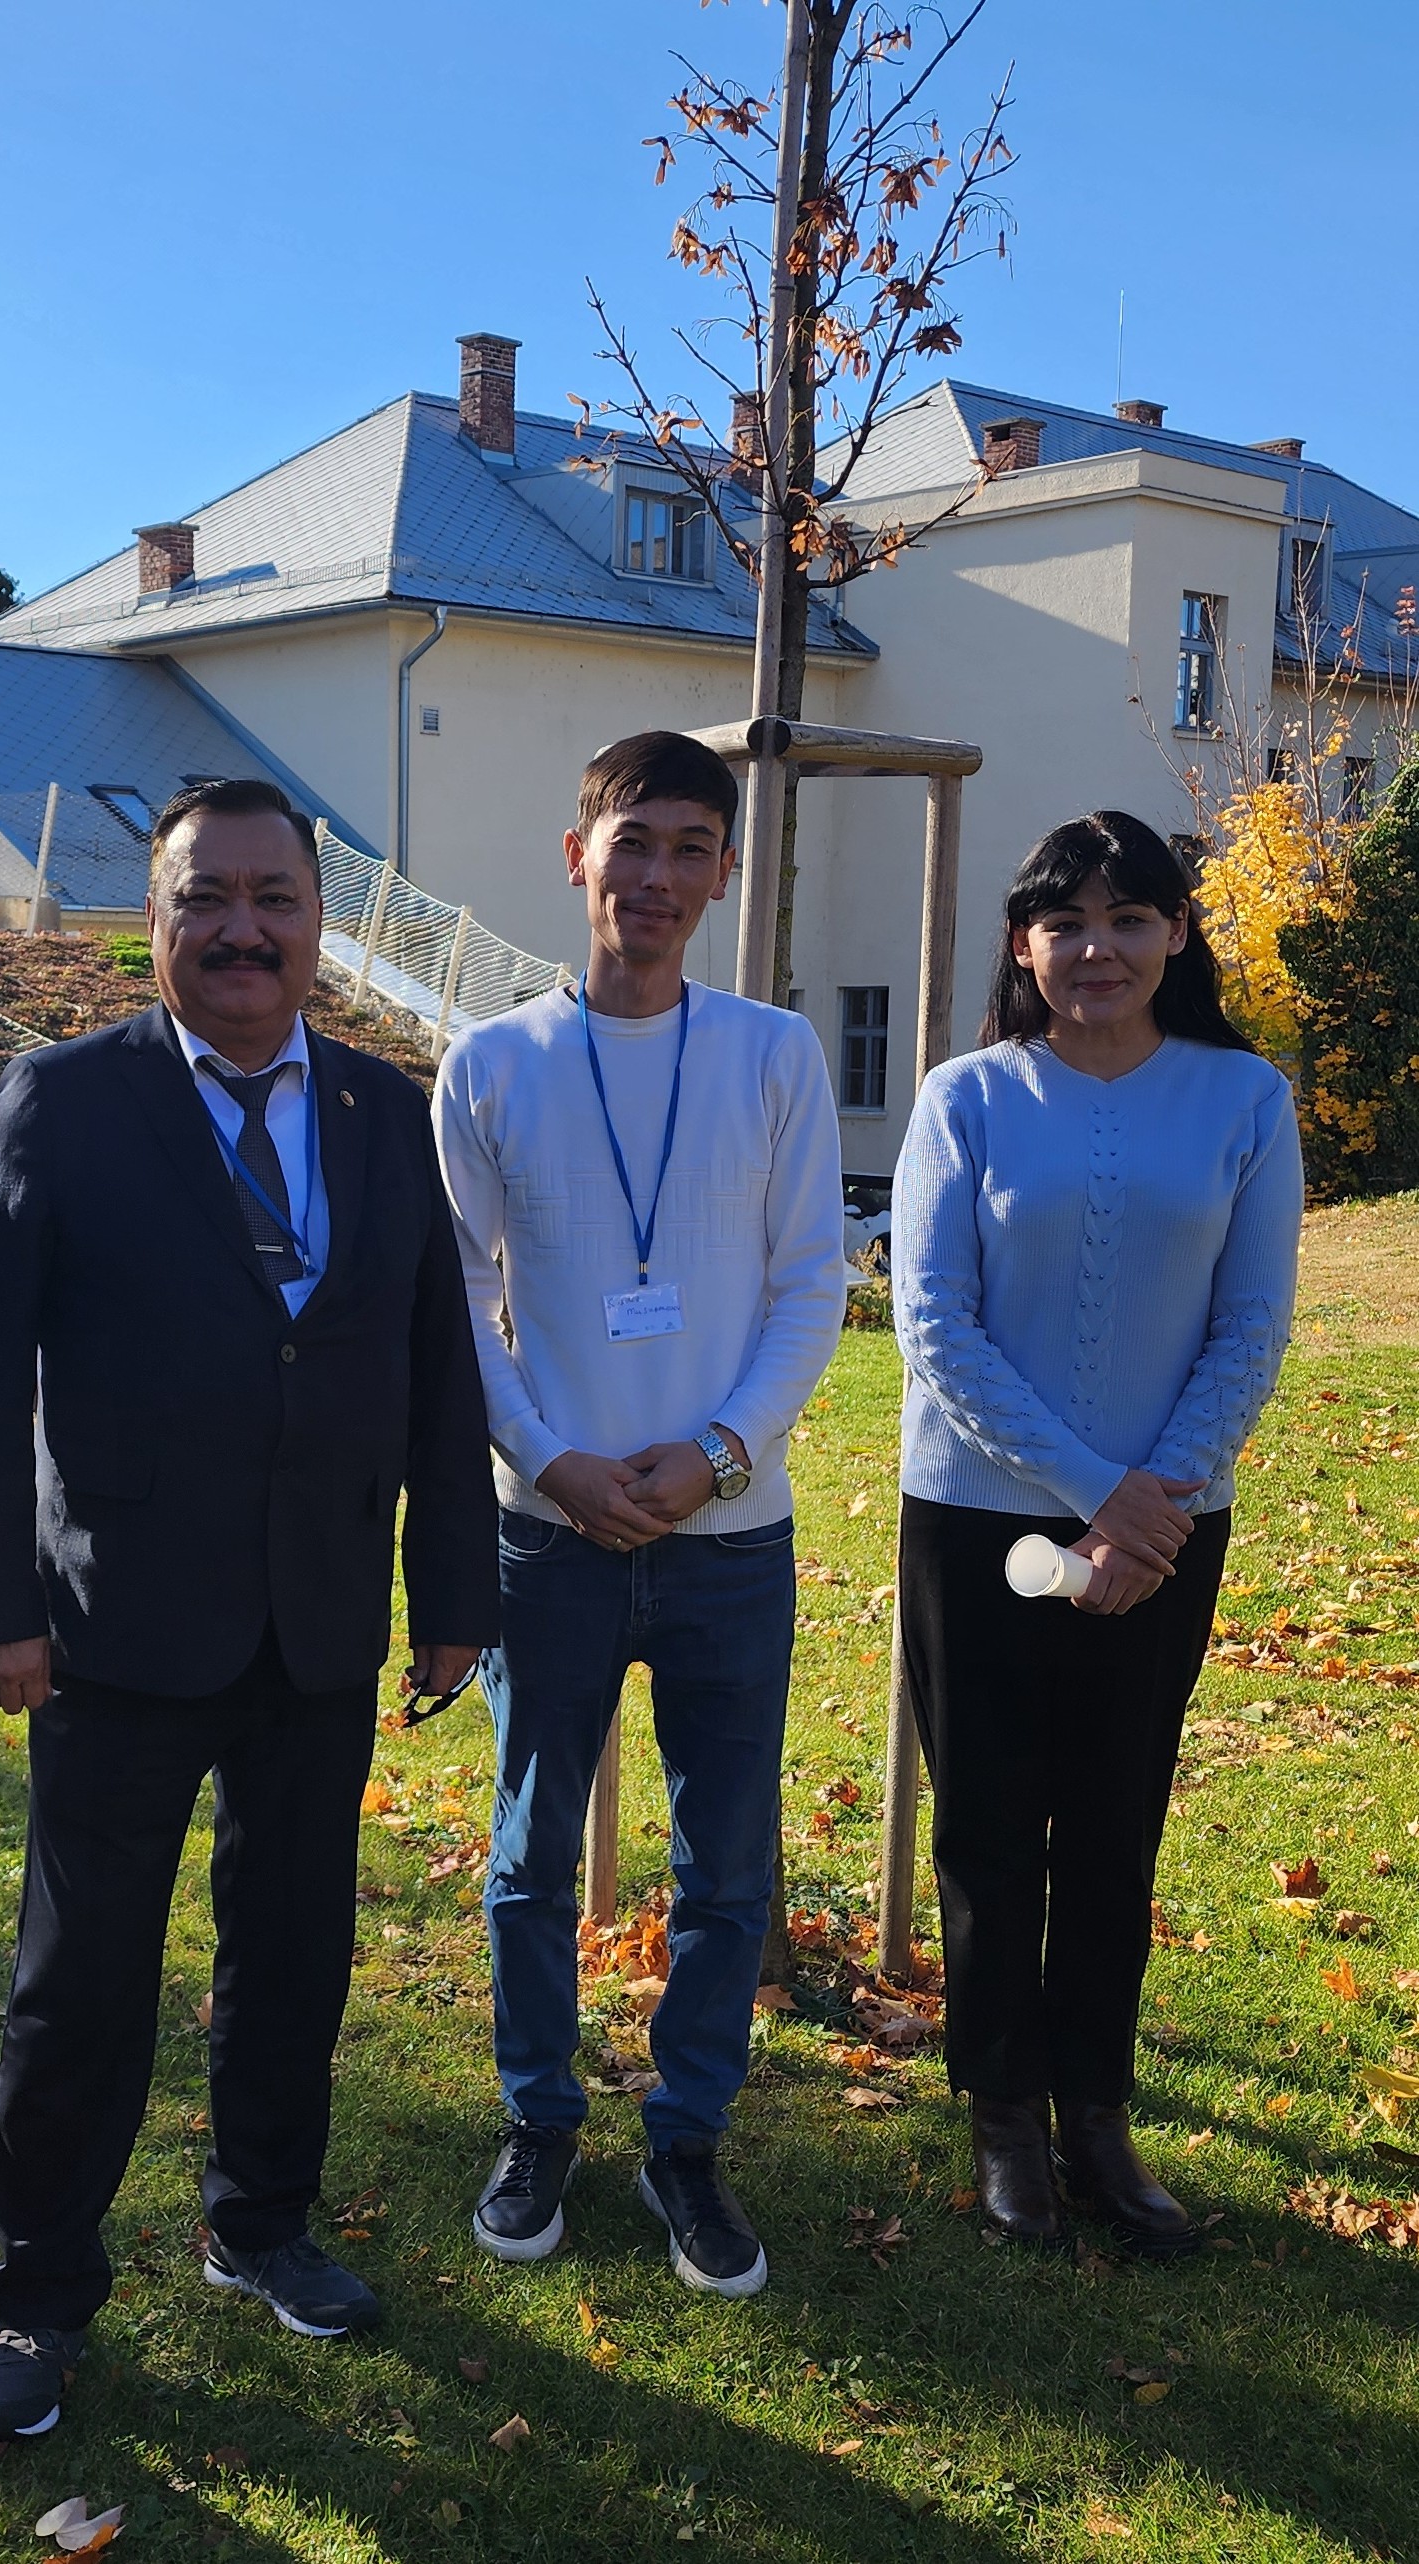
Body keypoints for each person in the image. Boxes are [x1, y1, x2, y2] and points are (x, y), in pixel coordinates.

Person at [0, 775, 497, 2442]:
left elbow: (429, 1359)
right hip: (112, 1628)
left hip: (316, 1625)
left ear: (321, 919)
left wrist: (452, 1591)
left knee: (294, 1956)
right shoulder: (59, 1101)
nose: (244, 930)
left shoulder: (394, 1113)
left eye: (275, 898)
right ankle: (37, 2295)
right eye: (205, 900)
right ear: (154, 920)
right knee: (81, 1978)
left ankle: (261, 2224)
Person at [432, 731, 845, 2294]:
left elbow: (814, 1282)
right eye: (633, 842)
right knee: (533, 1855)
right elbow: (457, 1295)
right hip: (550, 1531)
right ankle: (540, 2119)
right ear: (576, 853)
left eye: (691, 846)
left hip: (731, 1537)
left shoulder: (772, 1055)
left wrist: (720, 1453)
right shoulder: (493, 1064)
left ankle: (688, 2139)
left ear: (725, 872)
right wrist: (548, 1458)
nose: (658, 875)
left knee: (725, 1867)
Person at [891, 811, 1301, 2255]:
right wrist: (1094, 1489)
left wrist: (1155, 1504)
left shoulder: (1245, 1099)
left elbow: (1252, 1327)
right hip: (978, 1523)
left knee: (1115, 1830)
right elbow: (934, 1323)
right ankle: (1003, 2112)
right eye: (1066, 922)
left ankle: (1096, 2116)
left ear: (1178, 937)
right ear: (1022, 944)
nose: (1098, 948)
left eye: (1131, 919)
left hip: (1165, 1537)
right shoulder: (965, 1098)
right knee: (993, 1826)